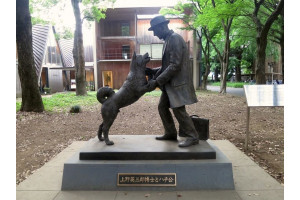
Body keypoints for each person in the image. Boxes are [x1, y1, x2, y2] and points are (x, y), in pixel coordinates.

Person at [146, 15, 199, 147]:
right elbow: (167, 65)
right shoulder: (168, 40)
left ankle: (193, 136)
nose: (155, 34)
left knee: (178, 110)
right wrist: (153, 71)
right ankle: (170, 132)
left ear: (162, 27)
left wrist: (157, 81)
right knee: (162, 107)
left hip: (177, 84)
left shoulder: (175, 39)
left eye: (155, 30)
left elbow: (174, 65)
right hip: (170, 84)